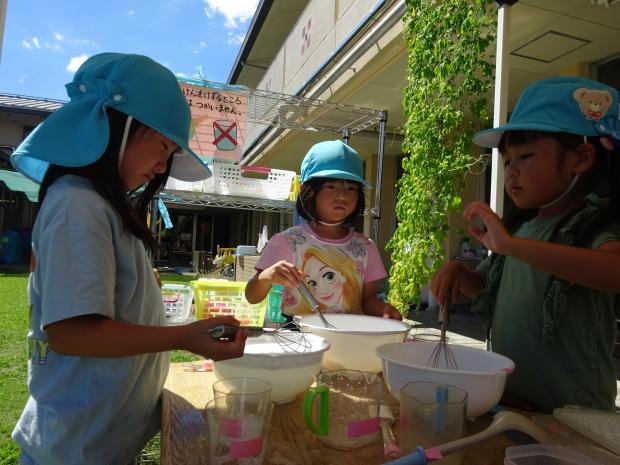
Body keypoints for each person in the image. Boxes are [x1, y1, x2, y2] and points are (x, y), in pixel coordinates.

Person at [11, 53, 249, 465]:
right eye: (160, 144)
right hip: (75, 449)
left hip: (100, 440)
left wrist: (179, 326)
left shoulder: (103, 205)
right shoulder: (77, 206)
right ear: (113, 126)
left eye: (171, 152)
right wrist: (181, 338)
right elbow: (72, 333)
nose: (162, 166)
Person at [430, 76, 620, 412]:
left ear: (581, 159)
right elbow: (490, 287)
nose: (511, 172)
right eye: (506, 161)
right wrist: (459, 274)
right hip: (511, 400)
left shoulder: (595, 225)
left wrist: (511, 246)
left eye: (526, 156)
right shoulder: (522, 227)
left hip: (574, 416)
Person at [245, 140, 401, 320]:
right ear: (306, 191)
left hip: (350, 336)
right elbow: (251, 296)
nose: (342, 195)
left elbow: (367, 300)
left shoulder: (365, 247)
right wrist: (267, 277)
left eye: (351, 188)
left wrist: (383, 310)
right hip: (299, 338)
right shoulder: (288, 241)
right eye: (331, 186)